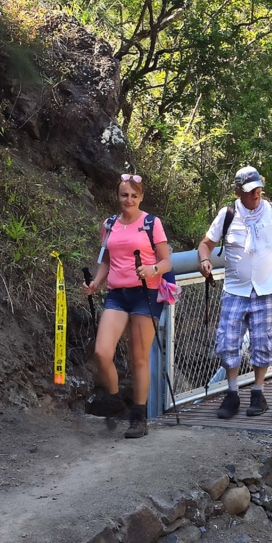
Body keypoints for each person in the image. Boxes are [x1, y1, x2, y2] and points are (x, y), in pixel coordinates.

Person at [197, 166, 272, 419]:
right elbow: (206, 244)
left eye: (258, 189)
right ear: (238, 192)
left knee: (263, 342)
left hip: (266, 289)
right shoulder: (227, 214)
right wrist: (204, 261)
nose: (256, 194)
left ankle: (258, 392)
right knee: (228, 343)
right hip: (235, 290)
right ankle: (233, 393)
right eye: (250, 191)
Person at [82, 173, 172, 439]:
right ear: (118, 196)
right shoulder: (109, 224)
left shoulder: (151, 223)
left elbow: (167, 261)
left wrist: (152, 268)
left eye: (134, 195)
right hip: (116, 294)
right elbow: (107, 261)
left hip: (146, 294)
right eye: (124, 195)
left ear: (141, 197)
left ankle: (138, 417)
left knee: (138, 357)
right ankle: (113, 398)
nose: (129, 200)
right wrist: (95, 282)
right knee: (101, 351)